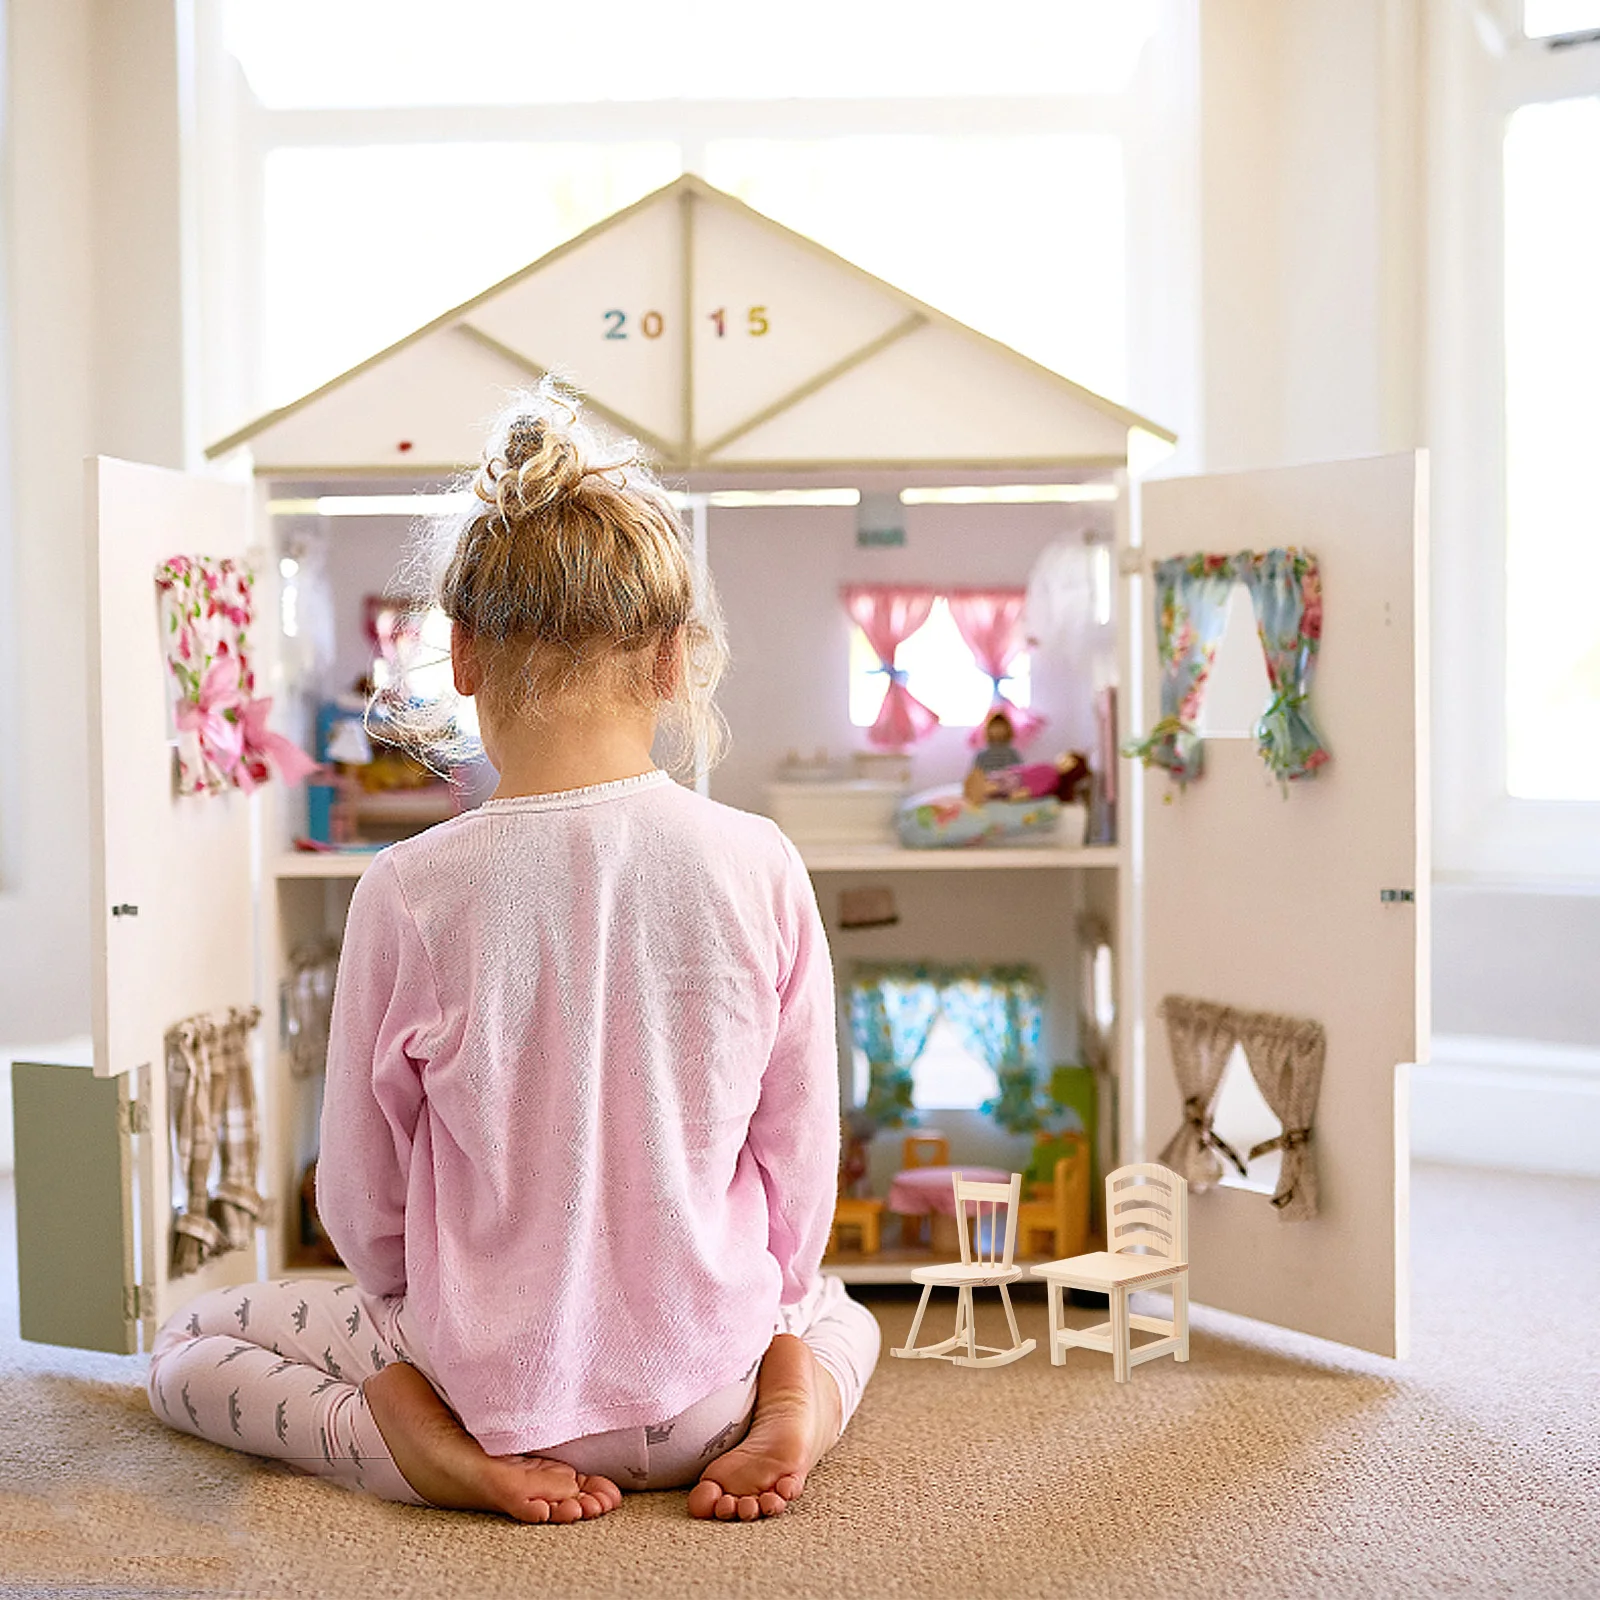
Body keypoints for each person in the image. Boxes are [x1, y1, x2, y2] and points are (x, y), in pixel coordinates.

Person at [146, 382, 880, 1524]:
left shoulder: (408, 888)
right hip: (711, 1394)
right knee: (839, 1311)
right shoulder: (761, 860)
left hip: (485, 1389)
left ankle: (407, 1441)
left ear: (466, 654)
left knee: (187, 1341)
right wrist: (769, 1310)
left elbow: (359, 1197)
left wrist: (403, 1305)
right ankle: (796, 1406)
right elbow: (799, 1166)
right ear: (674, 660)